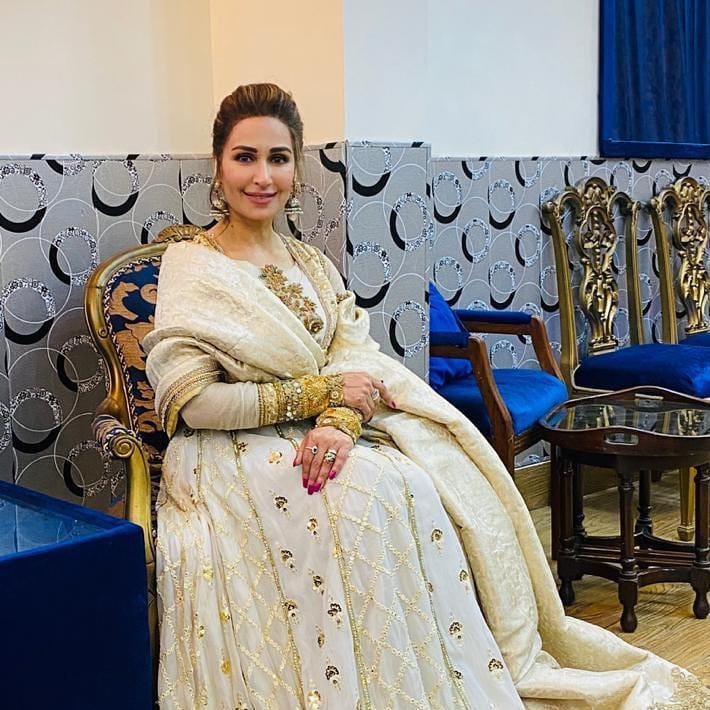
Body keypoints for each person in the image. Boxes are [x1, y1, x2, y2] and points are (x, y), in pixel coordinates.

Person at [144, 83, 709, 709]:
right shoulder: (192, 265)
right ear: (217, 166)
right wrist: (322, 392)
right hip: (228, 449)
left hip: (321, 432)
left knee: (416, 481)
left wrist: (338, 418)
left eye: (278, 158)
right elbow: (194, 403)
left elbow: (354, 356)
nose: (262, 175)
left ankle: (421, 679)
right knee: (364, 495)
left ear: (297, 169)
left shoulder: (310, 261)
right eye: (245, 157)